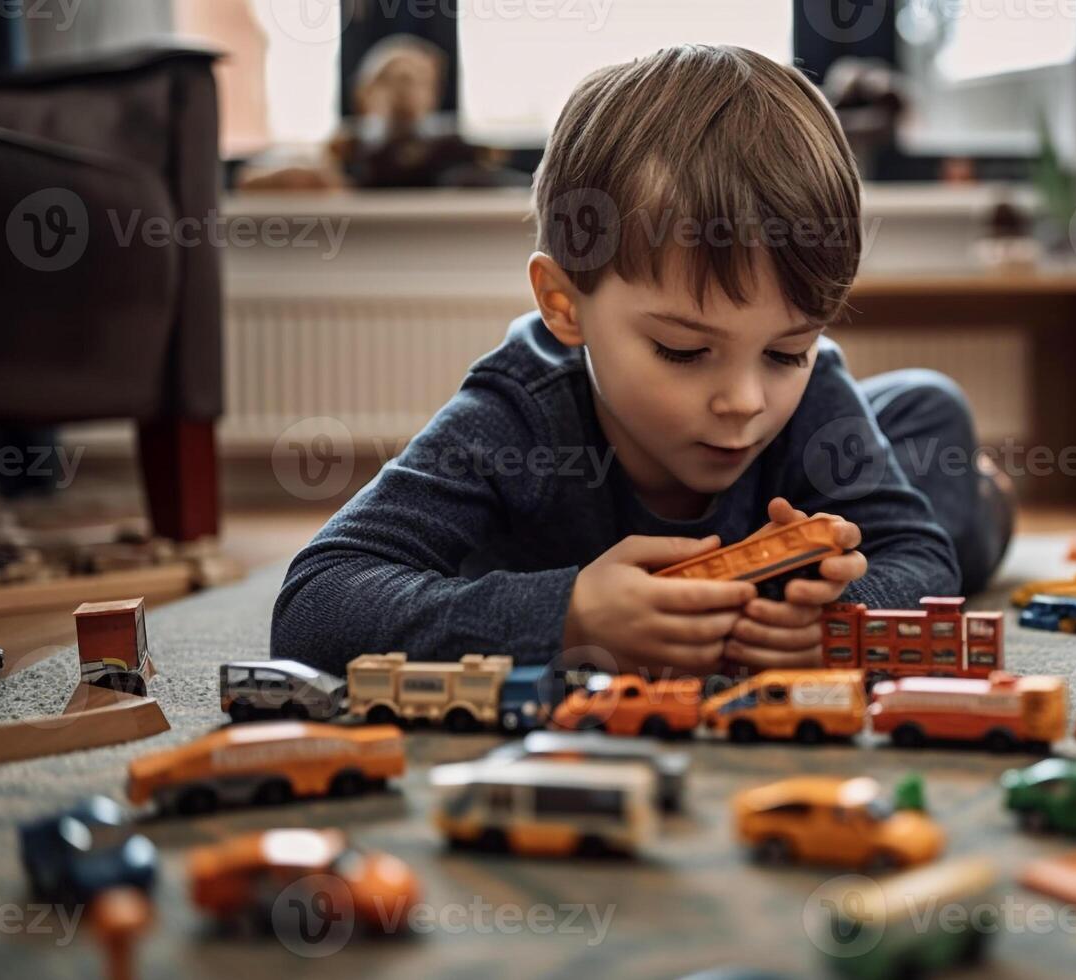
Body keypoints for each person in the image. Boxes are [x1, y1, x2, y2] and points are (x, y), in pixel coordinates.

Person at [272, 45, 1013, 677]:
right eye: (683, 350)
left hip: (871, 451)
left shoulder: (813, 391)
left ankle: (980, 490)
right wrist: (565, 615)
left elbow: (916, 557)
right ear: (566, 305)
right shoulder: (515, 412)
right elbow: (317, 601)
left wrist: (841, 616)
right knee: (925, 426)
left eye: (786, 349)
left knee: (937, 440)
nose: (744, 401)